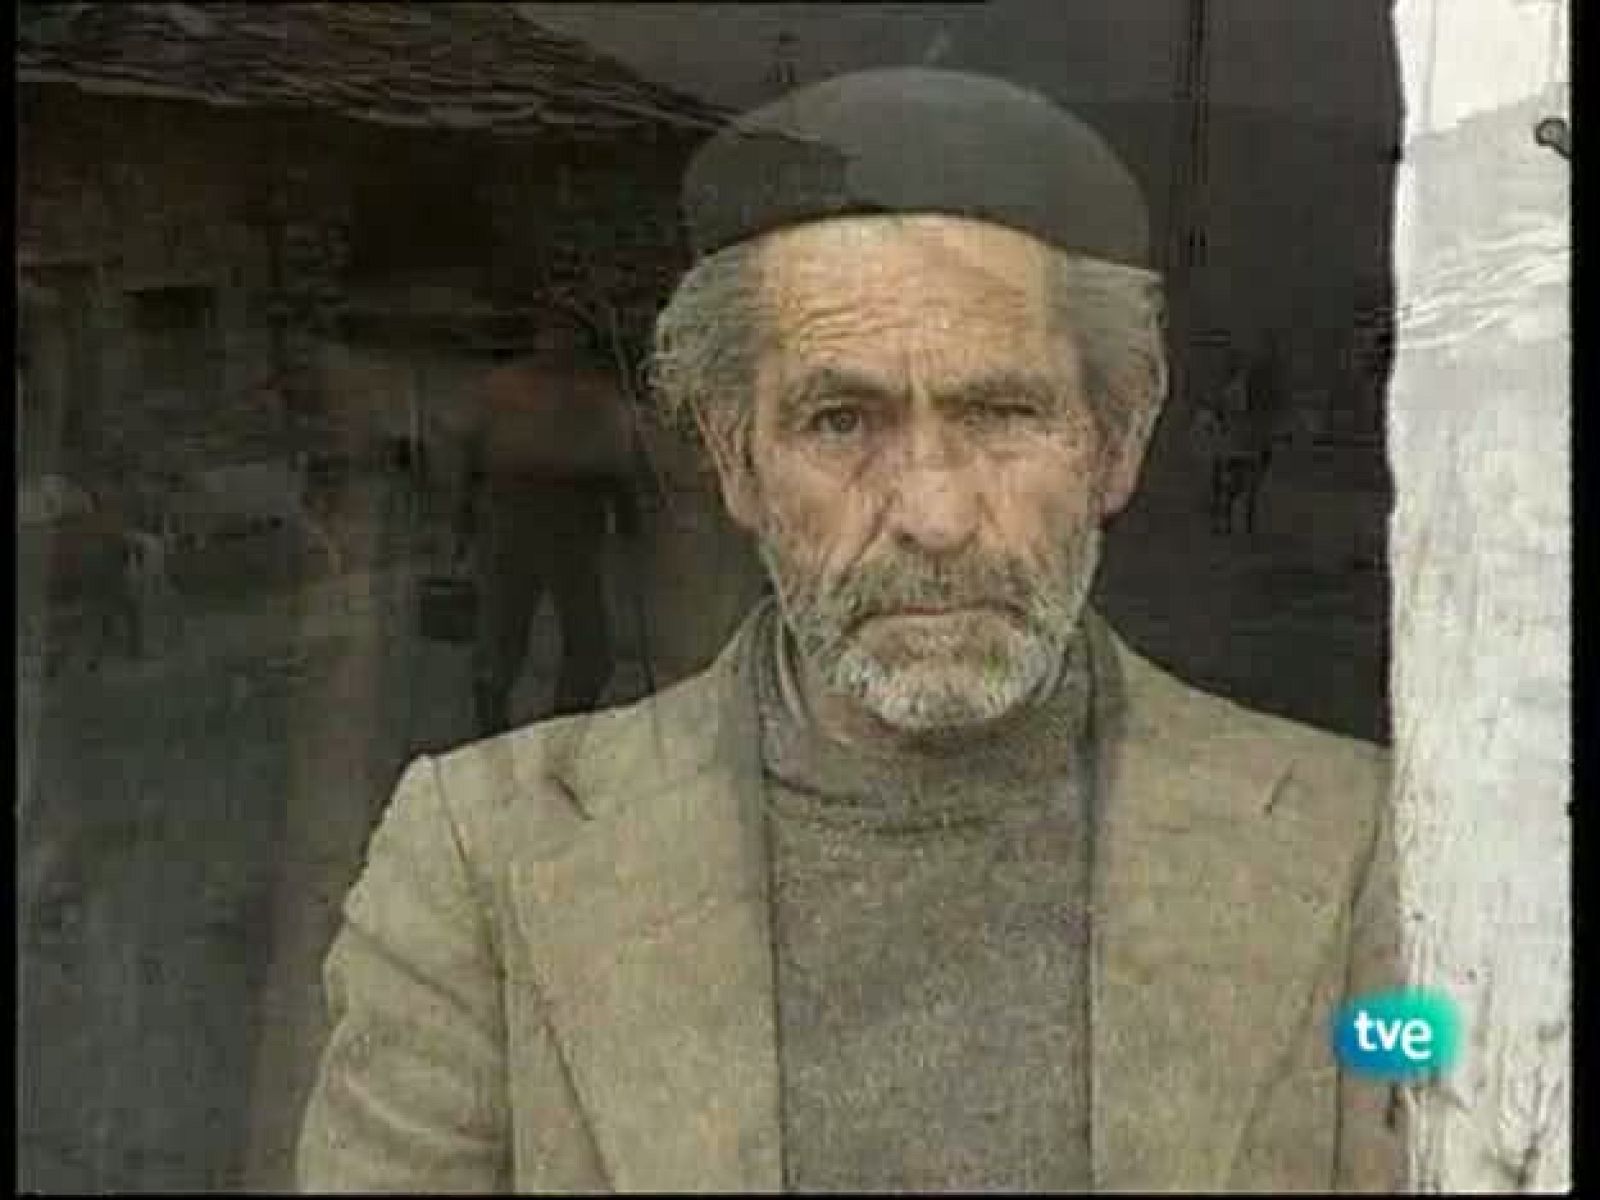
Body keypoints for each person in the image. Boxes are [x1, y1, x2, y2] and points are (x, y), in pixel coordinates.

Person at [300, 68, 1403, 1192]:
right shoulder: (477, 863)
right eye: (840, 420)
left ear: (1115, 443)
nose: (933, 514)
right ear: (735, 459)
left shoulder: (1351, 843)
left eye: (1003, 412)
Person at [455, 325, 643, 735]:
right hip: (521, 525)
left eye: (568, 335)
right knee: (506, 638)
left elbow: (616, 461)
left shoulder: (590, 394)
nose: (560, 344)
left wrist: (627, 512)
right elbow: (472, 459)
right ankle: (496, 730)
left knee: (584, 646)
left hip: (562, 528)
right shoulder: (510, 388)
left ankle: (560, 732)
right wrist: (464, 519)